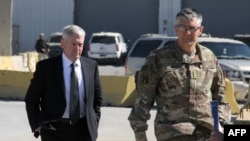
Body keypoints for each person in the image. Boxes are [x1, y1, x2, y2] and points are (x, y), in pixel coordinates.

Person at [128, 8, 231, 141]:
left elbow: (220, 98)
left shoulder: (210, 58)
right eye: (182, 28)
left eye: (192, 28)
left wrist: (220, 125)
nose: (187, 33)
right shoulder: (158, 58)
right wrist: (140, 136)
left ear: (200, 30)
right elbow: (143, 101)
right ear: (176, 29)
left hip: (206, 133)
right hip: (172, 132)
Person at [25, 25, 103, 141]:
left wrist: (93, 123)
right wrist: (37, 124)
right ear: (62, 43)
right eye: (74, 44)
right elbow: (31, 99)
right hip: (54, 130)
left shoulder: (91, 67)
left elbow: (97, 100)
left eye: (80, 45)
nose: (77, 49)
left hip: (83, 130)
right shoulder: (47, 68)